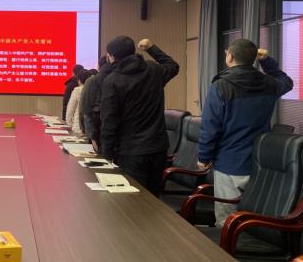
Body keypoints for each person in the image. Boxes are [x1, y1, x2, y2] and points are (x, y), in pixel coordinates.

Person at [197, 39, 293, 227]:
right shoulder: (269, 83)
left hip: (229, 163)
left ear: (230, 56)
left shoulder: (220, 86)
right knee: (253, 219)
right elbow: (287, 82)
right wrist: (267, 61)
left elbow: (210, 126)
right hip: (261, 164)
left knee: (226, 223)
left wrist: (203, 157)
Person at [99, 36, 180, 196]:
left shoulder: (112, 81)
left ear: (112, 57)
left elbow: (109, 121)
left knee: (133, 200)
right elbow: (173, 66)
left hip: (130, 151)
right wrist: (151, 48)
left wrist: (106, 156)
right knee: (153, 200)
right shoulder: (154, 70)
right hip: (158, 148)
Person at [79, 56, 110, 150]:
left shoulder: (91, 81)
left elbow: (85, 109)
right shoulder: (118, 79)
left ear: (99, 67)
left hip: (96, 131)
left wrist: (89, 134)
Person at [66, 70, 92, 134]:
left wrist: (70, 125)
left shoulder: (77, 90)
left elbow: (70, 109)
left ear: (79, 80)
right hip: (90, 128)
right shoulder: (92, 90)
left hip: (78, 127)